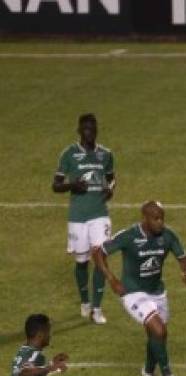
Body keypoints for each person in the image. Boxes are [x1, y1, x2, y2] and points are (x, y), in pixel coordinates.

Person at [92, 201, 186, 376]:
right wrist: (112, 280)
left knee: (157, 335)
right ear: (144, 218)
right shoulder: (129, 236)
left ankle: (148, 370)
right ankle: (167, 375)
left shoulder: (168, 235)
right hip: (133, 292)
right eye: (156, 219)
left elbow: (183, 257)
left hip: (157, 291)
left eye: (162, 218)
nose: (160, 222)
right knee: (159, 329)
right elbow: (98, 253)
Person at [52, 113, 116, 325]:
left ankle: (97, 309)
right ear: (79, 131)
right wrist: (73, 186)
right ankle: (85, 302)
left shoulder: (105, 154)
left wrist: (111, 189)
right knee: (81, 262)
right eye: (86, 129)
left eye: (93, 129)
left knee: (100, 259)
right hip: (78, 216)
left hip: (100, 214)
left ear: (96, 131)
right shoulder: (69, 154)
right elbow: (56, 185)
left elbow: (111, 177)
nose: (89, 133)